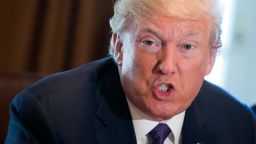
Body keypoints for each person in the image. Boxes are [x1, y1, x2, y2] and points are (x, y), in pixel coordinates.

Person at [5, 0, 256, 144]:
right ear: (119, 46)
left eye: (187, 47)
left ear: (211, 58)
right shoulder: (51, 116)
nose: (167, 66)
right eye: (150, 42)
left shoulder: (237, 125)